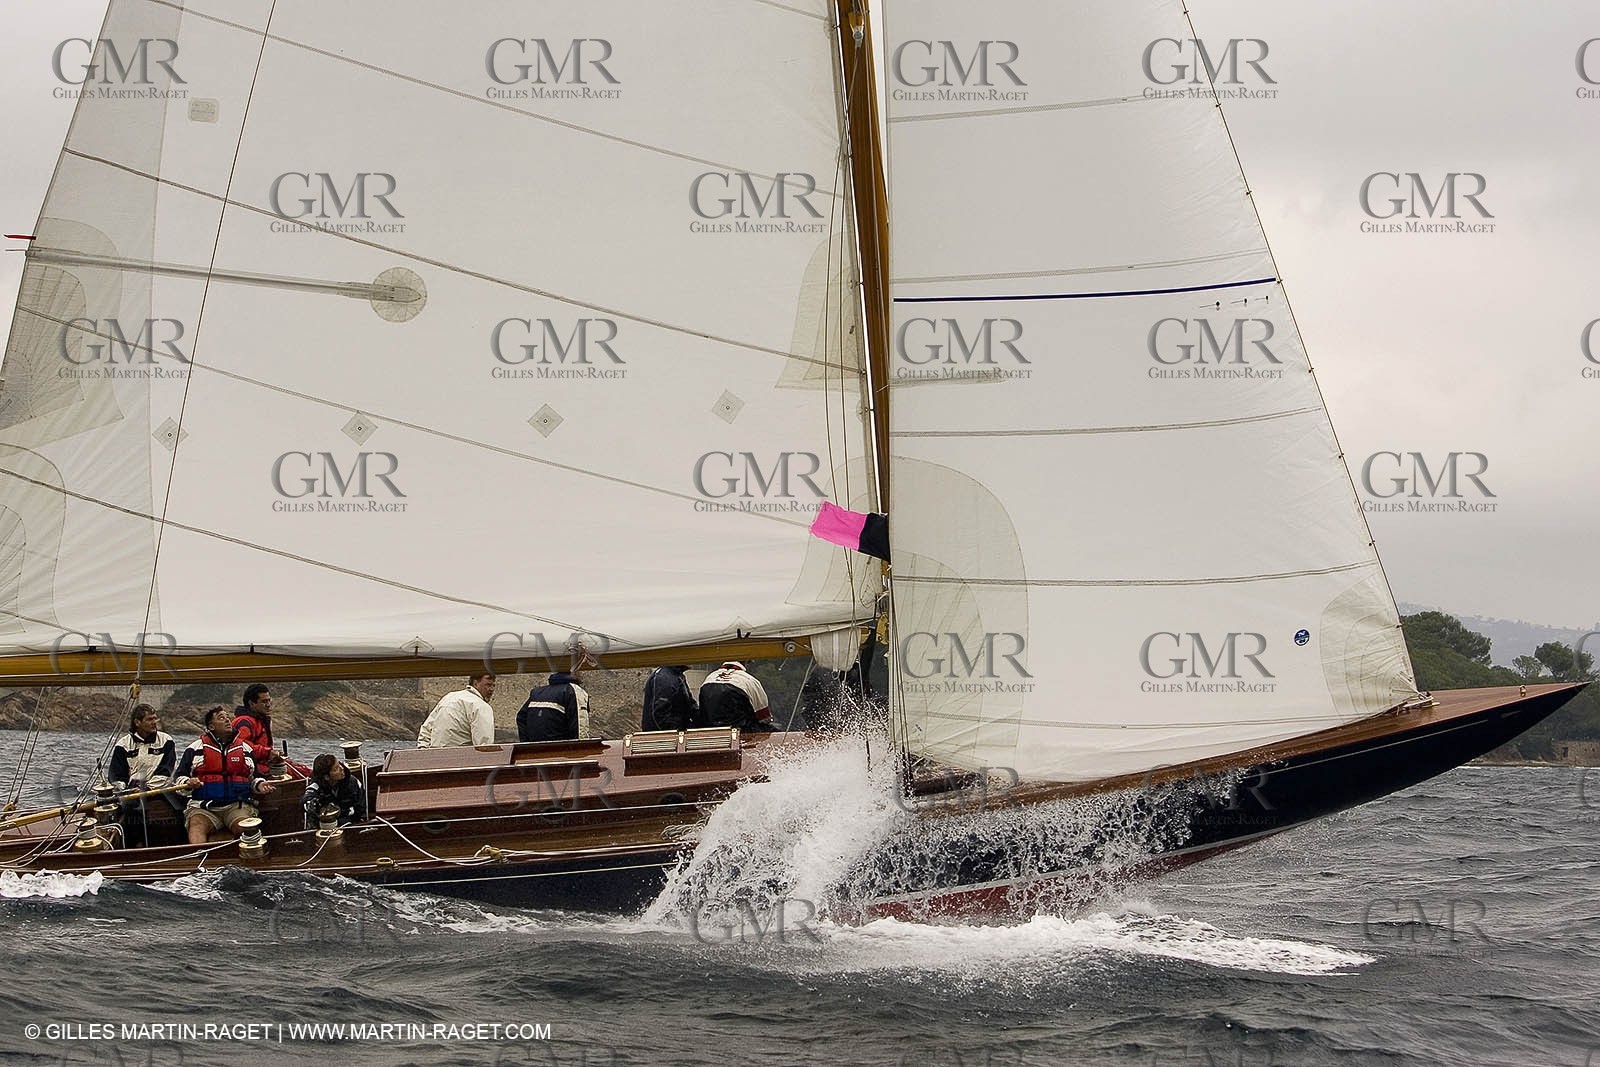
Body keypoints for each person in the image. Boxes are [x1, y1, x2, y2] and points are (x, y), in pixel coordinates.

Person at [175, 706, 275, 844]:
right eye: (221, 718)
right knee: (197, 826)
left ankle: (250, 858)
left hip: (236, 806)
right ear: (211, 726)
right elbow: (179, 778)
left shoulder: (245, 749)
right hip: (204, 807)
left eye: (228, 717)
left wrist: (260, 785)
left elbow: (254, 778)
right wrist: (188, 783)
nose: (228, 721)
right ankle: (198, 857)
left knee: (246, 829)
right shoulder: (195, 749)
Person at [109, 704, 179, 847]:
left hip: (162, 787)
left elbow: (167, 771)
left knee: (180, 807)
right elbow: (117, 775)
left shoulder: (166, 741)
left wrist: (147, 787)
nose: (155, 722)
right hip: (133, 789)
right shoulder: (123, 745)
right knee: (130, 809)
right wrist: (123, 791)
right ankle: (135, 847)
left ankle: (180, 847)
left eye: (155, 718)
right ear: (137, 722)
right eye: (149, 719)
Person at [417, 672, 497, 748]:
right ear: (475, 683)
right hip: (462, 758)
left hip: (436, 757)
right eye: (488, 685)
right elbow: (484, 744)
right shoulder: (481, 706)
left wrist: (423, 750)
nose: (491, 689)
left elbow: (426, 729)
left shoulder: (449, 697)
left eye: (493, 686)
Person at [698, 662, 774, 732]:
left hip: (711, 731)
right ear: (745, 662)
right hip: (741, 732)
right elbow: (764, 717)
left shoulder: (708, 679)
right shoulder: (750, 680)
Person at [516, 671, 591, 743]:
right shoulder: (574, 691)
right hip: (562, 751)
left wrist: (527, 745)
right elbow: (580, 728)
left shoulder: (537, 692)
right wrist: (581, 751)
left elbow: (521, 717)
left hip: (535, 750)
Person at [301, 754, 366, 828]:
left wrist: (339, 813)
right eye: (336, 769)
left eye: (340, 764)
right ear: (326, 777)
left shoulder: (353, 782)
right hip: (322, 828)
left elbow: (360, 807)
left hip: (350, 824)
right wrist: (315, 805)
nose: (342, 769)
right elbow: (306, 801)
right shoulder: (315, 787)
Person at [641, 665, 696, 731]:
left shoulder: (676, 675)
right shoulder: (665, 677)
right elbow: (661, 716)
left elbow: (690, 706)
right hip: (663, 737)